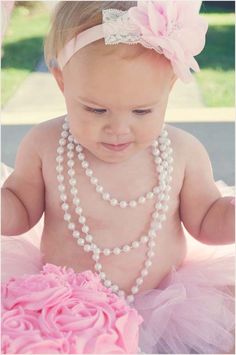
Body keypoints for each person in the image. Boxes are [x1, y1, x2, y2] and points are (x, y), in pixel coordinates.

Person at [1, 1, 235, 353]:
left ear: (170, 87)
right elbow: (19, 210)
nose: (117, 129)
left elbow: (205, 220)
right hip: (68, 312)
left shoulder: (183, 152)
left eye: (142, 110)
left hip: (163, 308)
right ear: (62, 81)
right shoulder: (45, 145)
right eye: (95, 109)